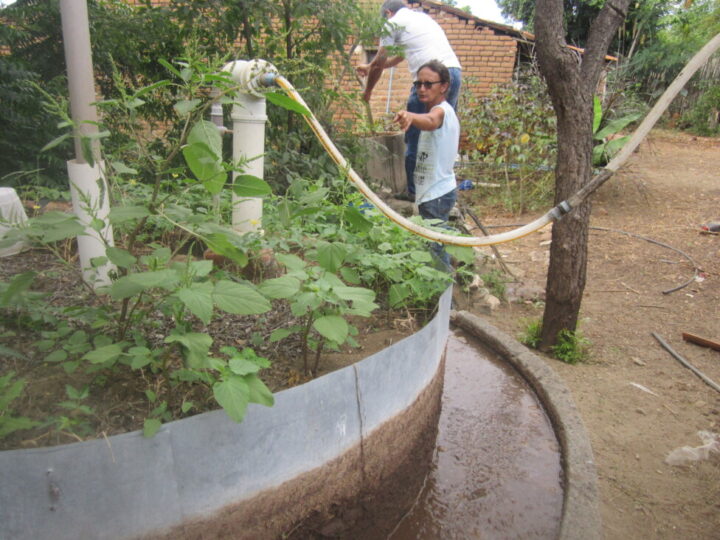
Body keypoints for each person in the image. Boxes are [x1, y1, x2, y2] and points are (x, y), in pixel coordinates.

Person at [356, 0, 461, 203]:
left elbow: (380, 64)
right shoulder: (420, 18)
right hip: (453, 73)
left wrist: (368, 91)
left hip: (429, 79)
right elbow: (398, 58)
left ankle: (414, 192)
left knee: (414, 135)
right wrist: (370, 66)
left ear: (388, 13)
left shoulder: (391, 23)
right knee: (442, 132)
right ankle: (440, 190)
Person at [393, 60, 459, 271]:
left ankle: (444, 298)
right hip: (433, 193)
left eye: (428, 84)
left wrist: (410, 116)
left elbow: (431, 120)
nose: (422, 89)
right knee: (433, 247)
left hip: (436, 195)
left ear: (444, 86)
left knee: (436, 253)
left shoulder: (441, 111)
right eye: (418, 84)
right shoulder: (440, 110)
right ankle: (441, 295)